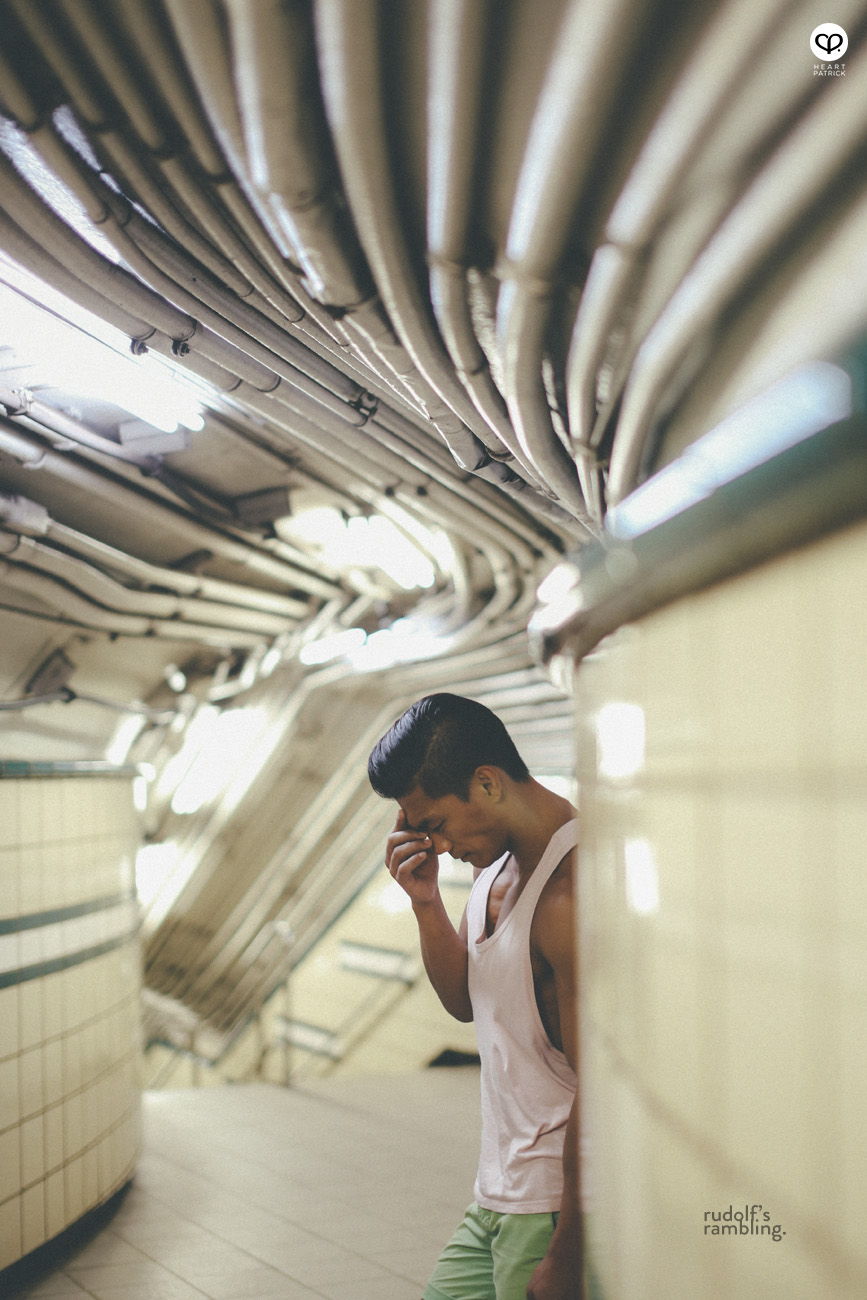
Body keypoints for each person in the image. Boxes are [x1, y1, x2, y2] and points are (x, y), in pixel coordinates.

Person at [368, 693, 582, 1300]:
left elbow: (602, 1087)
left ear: (486, 783)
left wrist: (568, 1252)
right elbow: (465, 999)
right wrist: (426, 902)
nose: (432, 844)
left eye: (432, 825)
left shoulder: (569, 894)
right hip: (497, 1193)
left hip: (548, 1209)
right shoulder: (493, 869)